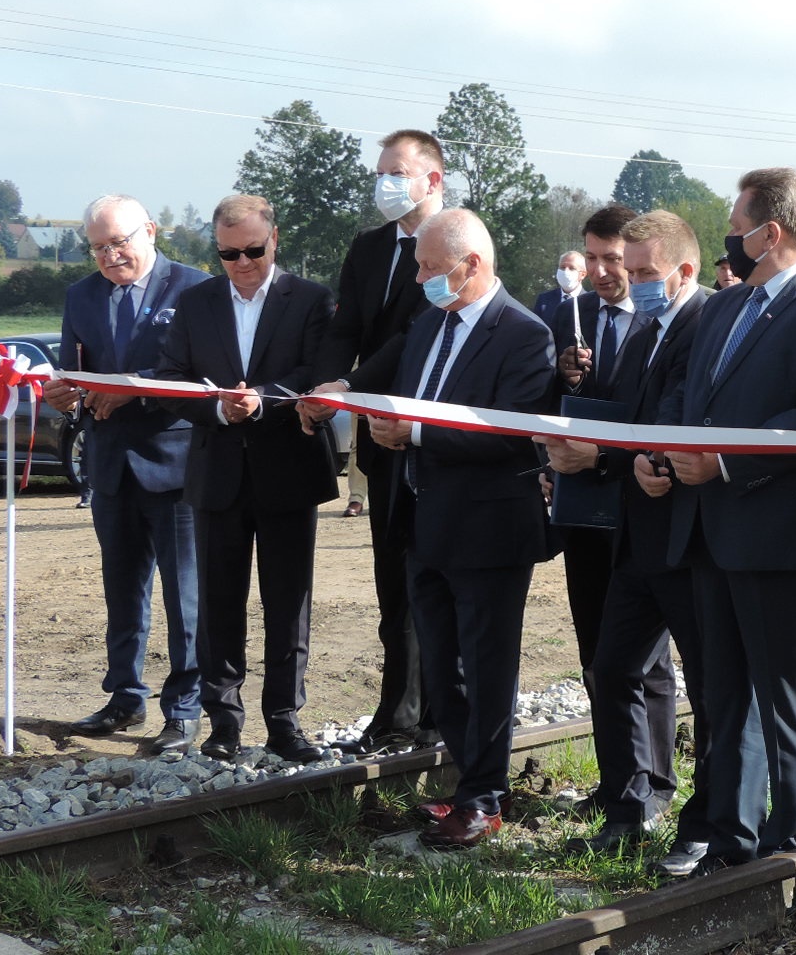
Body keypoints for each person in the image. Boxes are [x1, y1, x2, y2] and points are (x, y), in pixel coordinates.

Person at [646, 167, 796, 873]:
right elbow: (692, 403)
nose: (729, 240)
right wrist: (661, 454)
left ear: (769, 232)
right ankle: (731, 836)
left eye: (735, 225)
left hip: (785, 530)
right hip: (712, 527)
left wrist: (726, 465)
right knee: (725, 692)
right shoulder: (720, 307)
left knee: (786, 690)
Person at [369, 208, 556, 849]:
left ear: (470, 264)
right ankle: (463, 776)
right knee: (438, 668)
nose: (420, 277)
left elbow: (508, 434)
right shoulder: (427, 326)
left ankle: (485, 794)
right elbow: (401, 398)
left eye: (428, 266)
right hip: (423, 522)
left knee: (486, 664)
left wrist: (415, 432)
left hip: (489, 530)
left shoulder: (526, 335)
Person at [537, 209, 713, 875]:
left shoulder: (705, 326)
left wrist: (612, 458)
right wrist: (589, 453)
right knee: (612, 669)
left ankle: (703, 820)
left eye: (642, 272)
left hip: (689, 539)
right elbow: (630, 426)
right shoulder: (644, 336)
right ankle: (626, 808)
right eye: (625, 269)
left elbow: (678, 423)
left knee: (708, 685)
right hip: (638, 537)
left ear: (681, 270)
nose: (630, 282)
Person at [154, 194, 338, 765]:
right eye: (229, 254)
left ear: (274, 239)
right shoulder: (197, 302)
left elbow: (318, 373)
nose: (242, 264)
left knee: (288, 602)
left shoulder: (310, 299)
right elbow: (173, 379)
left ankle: (284, 720)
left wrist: (262, 402)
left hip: (288, 467)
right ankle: (224, 723)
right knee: (218, 604)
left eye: (253, 251)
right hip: (217, 475)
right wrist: (216, 410)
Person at [42, 194, 209, 752]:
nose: (111, 255)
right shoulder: (80, 296)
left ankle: (185, 709)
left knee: (184, 596)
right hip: (109, 465)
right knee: (123, 591)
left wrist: (128, 392)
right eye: (97, 247)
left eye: (120, 241)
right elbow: (74, 369)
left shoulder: (193, 289)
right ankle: (124, 697)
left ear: (151, 231)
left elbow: (195, 373)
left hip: (176, 463)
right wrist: (67, 397)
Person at [305, 129, 440, 754]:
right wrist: (323, 387)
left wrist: (350, 384)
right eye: (381, 172)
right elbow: (349, 327)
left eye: (397, 172)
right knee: (391, 569)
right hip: (378, 435)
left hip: (434, 434)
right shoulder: (368, 247)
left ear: (431, 180)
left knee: (431, 572)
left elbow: (413, 336)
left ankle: (436, 706)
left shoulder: (454, 244)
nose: (385, 183)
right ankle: (398, 706)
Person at [552, 204, 646, 817]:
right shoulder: (572, 314)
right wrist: (563, 373)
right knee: (596, 653)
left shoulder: (664, 323)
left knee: (641, 661)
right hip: (583, 511)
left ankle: (648, 785)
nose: (604, 271)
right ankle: (614, 785)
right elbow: (554, 406)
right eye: (594, 258)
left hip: (642, 506)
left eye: (615, 258)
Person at [533, 250, 585, 331]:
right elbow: (535, 330)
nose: (566, 271)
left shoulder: (590, 302)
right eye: (562, 267)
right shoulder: (544, 300)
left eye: (572, 268)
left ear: (582, 275)